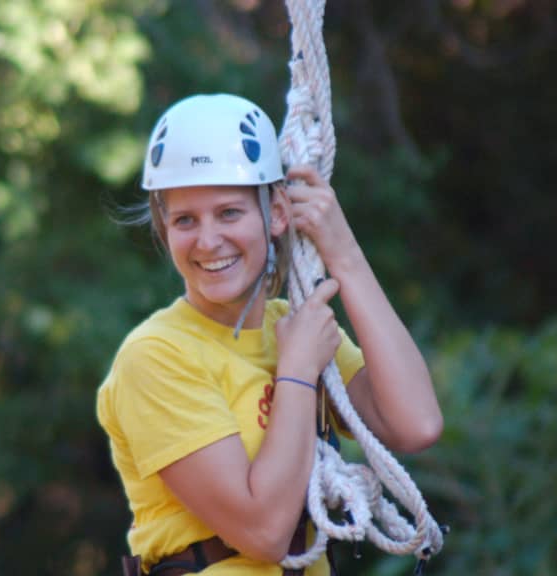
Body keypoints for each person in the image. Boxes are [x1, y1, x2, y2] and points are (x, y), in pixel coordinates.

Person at [97, 93, 443, 576]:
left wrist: (343, 253)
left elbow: (416, 424)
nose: (208, 239)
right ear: (164, 229)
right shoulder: (155, 356)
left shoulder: (297, 326)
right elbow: (263, 533)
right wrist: (297, 372)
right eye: (184, 220)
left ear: (277, 213)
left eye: (229, 213)